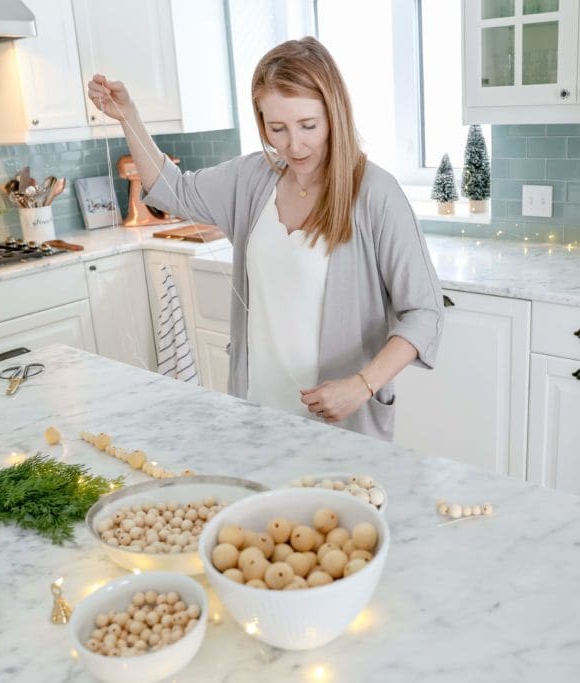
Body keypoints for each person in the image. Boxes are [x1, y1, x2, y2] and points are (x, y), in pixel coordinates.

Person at [87, 37, 443, 441]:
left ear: (334, 114)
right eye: (277, 128)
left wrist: (361, 385)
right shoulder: (253, 179)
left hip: (342, 425)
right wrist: (127, 116)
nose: (294, 144)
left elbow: (425, 313)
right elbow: (175, 191)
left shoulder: (376, 192)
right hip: (257, 417)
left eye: (308, 125)